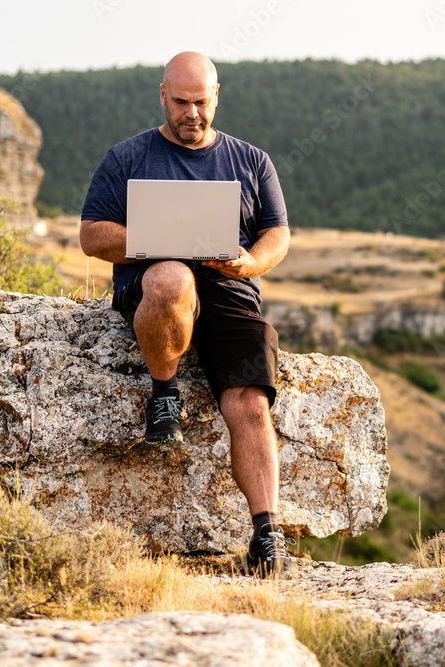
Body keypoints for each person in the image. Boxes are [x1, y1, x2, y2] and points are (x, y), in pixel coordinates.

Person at [79, 51, 295, 578]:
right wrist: (156, 244)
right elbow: (92, 236)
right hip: (156, 285)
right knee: (172, 274)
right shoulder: (127, 157)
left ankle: (267, 534)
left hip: (231, 293)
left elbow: (277, 233)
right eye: (181, 102)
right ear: (162, 96)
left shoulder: (251, 160)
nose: (191, 113)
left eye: (201, 101)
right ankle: (164, 396)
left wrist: (248, 263)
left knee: (249, 402)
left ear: (217, 96)